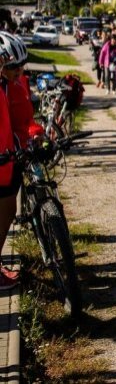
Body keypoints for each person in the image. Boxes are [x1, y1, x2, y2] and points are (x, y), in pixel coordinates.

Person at [0, 32, 38, 289]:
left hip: (7, 160)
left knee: (8, 210)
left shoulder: (11, 86)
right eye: (13, 66)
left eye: (20, 66)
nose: (18, 71)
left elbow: (21, 119)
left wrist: (31, 138)